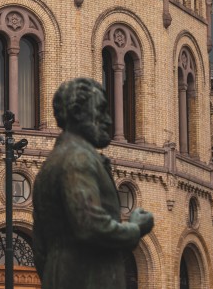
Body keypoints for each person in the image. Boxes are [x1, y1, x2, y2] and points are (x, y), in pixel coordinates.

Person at [33, 77, 154, 287]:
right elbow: (91, 226)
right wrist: (135, 228)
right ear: (77, 112)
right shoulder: (78, 159)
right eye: (101, 110)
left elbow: (40, 248)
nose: (109, 121)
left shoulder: (51, 164)